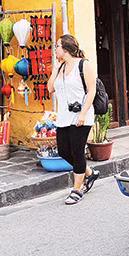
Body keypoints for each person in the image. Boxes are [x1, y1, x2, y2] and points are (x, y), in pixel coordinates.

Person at [47, 34, 99, 205]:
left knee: (77, 151)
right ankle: (89, 173)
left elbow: (91, 91)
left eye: (57, 45)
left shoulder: (84, 65)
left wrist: (83, 114)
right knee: (63, 151)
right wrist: (55, 69)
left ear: (66, 49)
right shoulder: (61, 67)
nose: (55, 48)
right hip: (64, 116)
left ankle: (77, 189)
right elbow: (50, 89)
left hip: (81, 116)